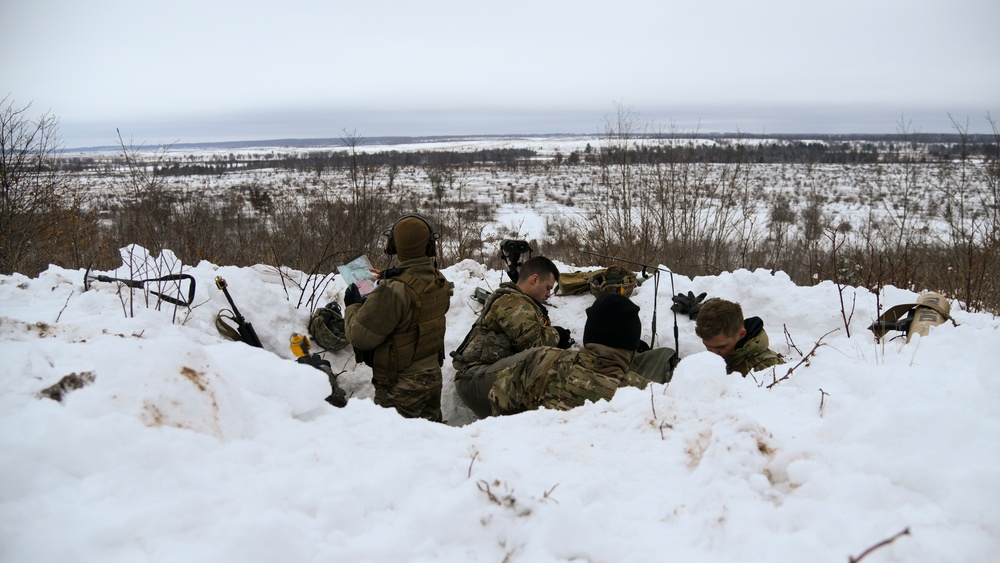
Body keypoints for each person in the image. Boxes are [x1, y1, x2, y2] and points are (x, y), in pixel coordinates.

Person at [343, 214, 452, 422]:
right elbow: (415, 296)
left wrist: (353, 305)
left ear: (392, 246)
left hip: (401, 388)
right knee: (432, 442)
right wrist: (389, 277)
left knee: (394, 448)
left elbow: (360, 336)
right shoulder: (439, 281)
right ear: (430, 246)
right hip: (432, 379)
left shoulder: (393, 291)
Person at [451, 256, 573, 418]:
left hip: (487, 377)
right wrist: (558, 335)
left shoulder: (525, 304)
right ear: (535, 279)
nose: (549, 294)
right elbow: (534, 344)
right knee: (542, 358)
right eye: (548, 288)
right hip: (475, 379)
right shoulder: (511, 301)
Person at [487, 293, 649, 415]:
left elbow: (498, 398)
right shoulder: (645, 394)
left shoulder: (544, 360)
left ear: (590, 334)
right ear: (631, 345)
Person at [694, 298, 784, 376]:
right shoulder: (722, 357)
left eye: (721, 347)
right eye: (707, 346)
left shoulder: (769, 368)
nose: (712, 354)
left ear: (742, 334)